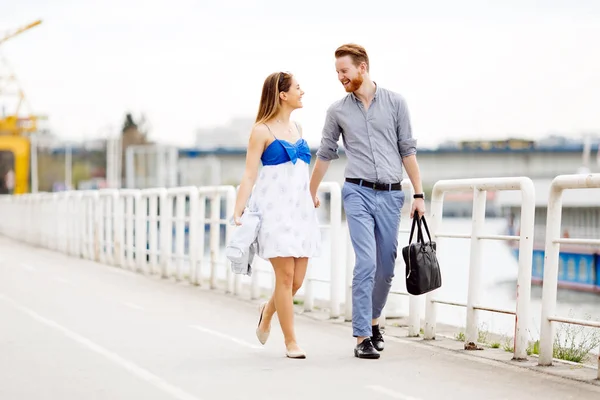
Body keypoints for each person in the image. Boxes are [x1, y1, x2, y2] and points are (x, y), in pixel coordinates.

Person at [309, 43, 426, 359]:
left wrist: (418, 193)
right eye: (336, 73)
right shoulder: (337, 111)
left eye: (344, 71)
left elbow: (408, 150)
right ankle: (361, 337)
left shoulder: (396, 103)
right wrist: (311, 191)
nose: (340, 77)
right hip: (356, 192)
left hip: (390, 195)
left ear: (362, 67)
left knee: (387, 267)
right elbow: (325, 153)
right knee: (367, 263)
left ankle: (374, 322)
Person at [232, 71, 321, 359]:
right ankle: (291, 342)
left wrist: (312, 193)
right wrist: (239, 208)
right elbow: (249, 174)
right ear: (282, 94)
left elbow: (298, 172)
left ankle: (266, 311)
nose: (302, 92)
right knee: (284, 278)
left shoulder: (298, 127)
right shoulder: (261, 130)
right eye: (298, 88)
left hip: (301, 213)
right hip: (274, 214)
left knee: (296, 282)